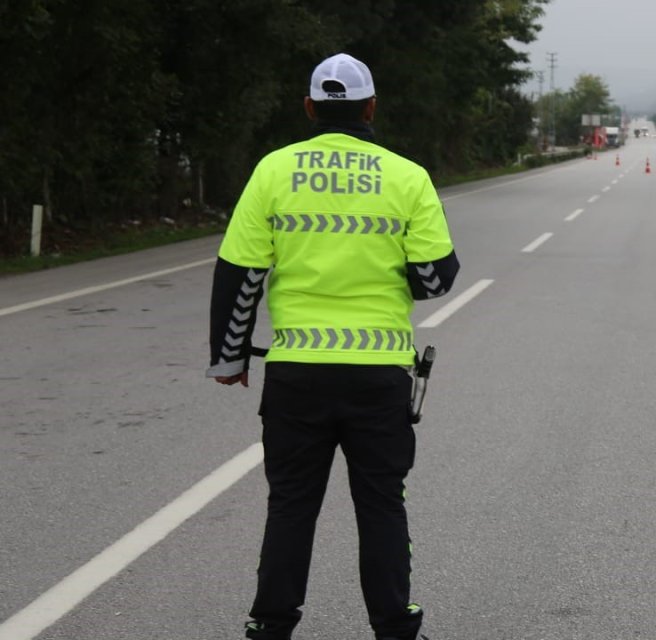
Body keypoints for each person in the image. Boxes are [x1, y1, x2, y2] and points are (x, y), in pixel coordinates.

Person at [207, 52, 459, 640]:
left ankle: (270, 624)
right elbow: (434, 280)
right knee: (381, 506)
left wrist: (230, 356)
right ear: (371, 108)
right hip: (378, 378)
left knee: (291, 504)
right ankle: (395, 624)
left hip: (296, 374)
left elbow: (239, 271)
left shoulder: (273, 171)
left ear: (309, 108)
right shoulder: (406, 176)